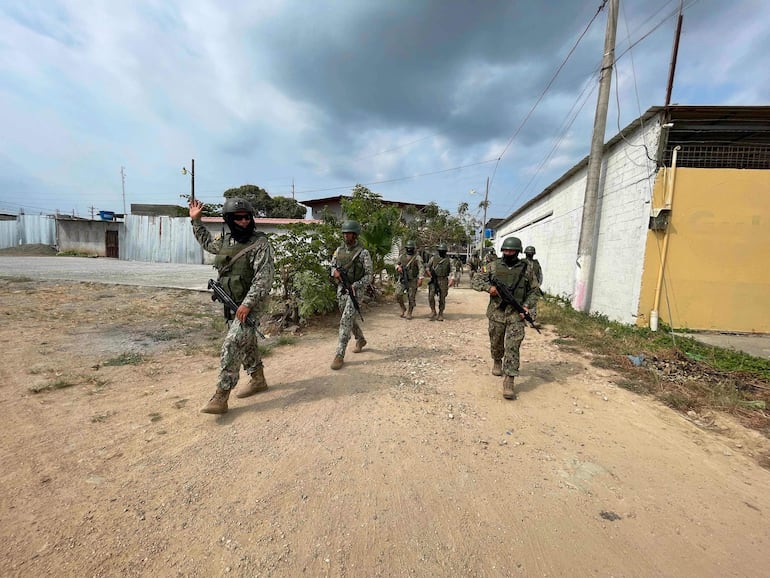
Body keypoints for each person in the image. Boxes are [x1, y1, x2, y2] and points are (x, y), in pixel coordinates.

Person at [189, 197, 275, 414]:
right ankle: (258, 379)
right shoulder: (225, 240)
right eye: (238, 218)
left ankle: (221, 396)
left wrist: (247, 305)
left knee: (233, 342)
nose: (244, 221)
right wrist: (196, 222)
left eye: (247, 217)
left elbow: (263, 279)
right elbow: (208, 244)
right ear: (229, 219)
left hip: (252, 302)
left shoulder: (260, 243)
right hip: (232, 301)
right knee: (246, 342)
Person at [473, 236, 540, 400]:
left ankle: (509, 379)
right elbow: (476, 280)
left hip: (516, 315)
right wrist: (489, 288)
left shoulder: (527, 269)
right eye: (505, 250)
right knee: (496, 341)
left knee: (513, 346)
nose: (508, 253)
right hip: (496, 313)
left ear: (517, 252)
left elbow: (534, 291)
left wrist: (526, 306)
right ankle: (497, 359)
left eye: (511, 251)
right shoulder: (493, 266)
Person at [330, 220, 373, 370]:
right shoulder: (339, 250)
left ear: (355, 235)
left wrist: (356, 285)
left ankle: (339, 354)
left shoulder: (363, 253)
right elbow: (332, 265)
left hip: (356, 290)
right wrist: (334, 272)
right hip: (342, 288)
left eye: (348, 233)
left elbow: (369, 276)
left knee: (345, 320)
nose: (345, 235)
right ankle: (360, 339)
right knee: (347, 317)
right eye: (344, 233)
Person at [395, 239, 423, 320]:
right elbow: (396, 263)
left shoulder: (417, 257)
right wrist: (398, 267)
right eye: (408, 248)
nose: (409, 249)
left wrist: (420, 278)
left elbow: (421, 268)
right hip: (402, 278)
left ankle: (409, 312)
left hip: (412, 280)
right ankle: (403, 308)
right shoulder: (402, 256)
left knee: (411, 297)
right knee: (398, 294)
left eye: (411, 248)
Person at [425, 243, 451, 321]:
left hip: (443, 280)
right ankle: (433, 311)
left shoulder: (449, 260)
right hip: (434, 279)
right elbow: (427, 267)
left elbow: (452, 270)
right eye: (440, 251)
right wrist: (429, 274)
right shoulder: (433, 258)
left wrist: (452, 279)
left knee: (442, 298)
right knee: (431, 296)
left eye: (443, 251)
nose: (442, 252)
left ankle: (440, 313)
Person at [523, 245, 543, 321]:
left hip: (533, 286)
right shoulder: (522, 262)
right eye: (528, 253)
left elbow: (540, 275)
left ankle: (531, 318)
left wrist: (538, 284)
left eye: (531, 253)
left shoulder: (536, 263)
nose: (529, 254)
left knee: (532, 302)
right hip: (523, 286)